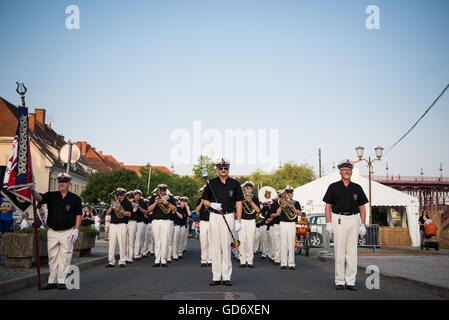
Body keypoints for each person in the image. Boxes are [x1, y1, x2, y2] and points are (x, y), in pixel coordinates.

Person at [323, 159, 368, 291]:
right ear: (340, 172)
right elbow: (327, 206)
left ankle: (351, 281)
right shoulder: (333, 186)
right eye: (344, 170)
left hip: (354, 219)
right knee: (339, 251)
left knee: (352, 253)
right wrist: (328, 222)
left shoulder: (357, 188)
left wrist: (363, 224)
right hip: (338, 219)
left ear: (351, 172)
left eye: (349, 170)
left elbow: (362, 208)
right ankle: (339, 281)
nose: (346, 172)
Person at [32, 172, 82, 290]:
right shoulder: (51, 195)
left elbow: (78, 215)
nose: (61, 184)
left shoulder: (75, 198)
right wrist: (31, 190)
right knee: (52, 257)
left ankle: (62, 280)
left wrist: (76, 230)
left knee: (65, 257)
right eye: (60, 182)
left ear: (69, 183)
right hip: (53, 231)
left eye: (64, 182)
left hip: (67, 231)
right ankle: (52, 281)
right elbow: (40, 197)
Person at [201, 158, 244, 286]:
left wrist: (238, 220)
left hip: (229, 215)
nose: (223, 170)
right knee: (215, 247)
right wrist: (212, 204)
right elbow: (204, 200)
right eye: (221, 168)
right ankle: (216, 276)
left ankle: (226, 277)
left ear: (228, 169)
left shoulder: (235, 183)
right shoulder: (211, 183)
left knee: (226, 246)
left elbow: (239, 203)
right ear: (217, 169)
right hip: (214, 216)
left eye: (225, 168)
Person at [147, 184, 178, 267]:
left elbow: (175, 209)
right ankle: (157, 260)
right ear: (158, 190)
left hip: (166, 221)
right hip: (156, 221)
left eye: (164, 190)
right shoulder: (153, 198)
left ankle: (163, 260)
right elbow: (149, 210)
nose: (163, 191)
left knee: (164, 241)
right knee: (157, 241)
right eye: (161, 190)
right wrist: (155, 203)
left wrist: (167, 203)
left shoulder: (170, 198)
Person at [105, 187, 132, 268]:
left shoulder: (127, 203)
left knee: (122, 243)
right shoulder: (114, 202)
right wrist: (111, 206)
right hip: (113, 224)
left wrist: (120, 211)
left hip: (122, 224)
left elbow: (129, 214)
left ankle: (122, 261)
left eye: (121, 195)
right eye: (118, 194)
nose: (119, 196)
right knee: (111, 244)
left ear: (124, 195)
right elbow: (108, 213)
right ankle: (111, 261)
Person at [276, 186, 302, 270]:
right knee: (283, 243)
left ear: (292, 194)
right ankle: (283, 263)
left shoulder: (296, 202)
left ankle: (291, 263)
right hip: (283, 223)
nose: (290, 195)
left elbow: (300, 213)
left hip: (292, 223)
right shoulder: (281, 202)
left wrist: (292, 207)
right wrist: (282, 204)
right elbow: (277, 213)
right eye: (288, 193)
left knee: (291, 243)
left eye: (291, 193)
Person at [238, 181, 261, 268]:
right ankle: (242, 260)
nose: (248, 190)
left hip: (251, 221)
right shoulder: (241, 198)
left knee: (250, 241)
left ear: (252, 190)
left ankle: (250, 261)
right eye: (247, 189)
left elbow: (258, 210)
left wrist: (251, 202)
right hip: (243, 220)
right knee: (242, 241)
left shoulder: (255, 198)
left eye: (250, 189)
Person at [197, 186, 211, 267]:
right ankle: (204, 259)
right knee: (203, 241)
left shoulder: (212, 199)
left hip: (211, 222)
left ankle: (210, 259)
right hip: (203, 222)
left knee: (211, 241)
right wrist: (202, 202)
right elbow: (197, 210)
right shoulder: (200, 200)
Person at [132, 190, 148, 261]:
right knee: (132, 238)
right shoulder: (131, 202)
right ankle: (131, 254)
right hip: (132, 222)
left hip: (140, 222)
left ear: (140, 196)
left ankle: (136, 254)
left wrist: (139, 207)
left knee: (138, 239)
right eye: (136, 195)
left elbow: (146, 212)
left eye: (138, 195)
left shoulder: (143, 202)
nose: (137, 196)